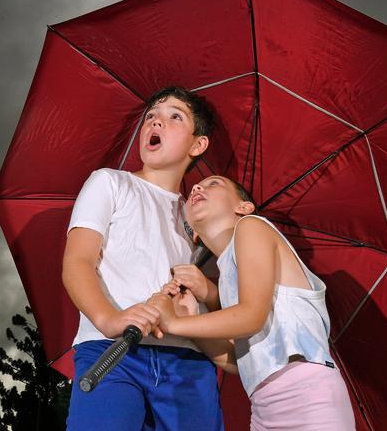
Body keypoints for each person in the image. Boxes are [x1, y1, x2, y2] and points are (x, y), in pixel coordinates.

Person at [62, 86, 223, 430]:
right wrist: (108, 319)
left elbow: (219, 300)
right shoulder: (109, 183)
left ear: (198, 145)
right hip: (112, 351)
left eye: (174, 116)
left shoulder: (200, 218)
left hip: (187, 361)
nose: (157, 121)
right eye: (151, 115)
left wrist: (203, 291)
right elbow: (77, 262)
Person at [149, 175, 356, 430]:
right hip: (262, 408)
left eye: (214, 183)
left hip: (307, 395)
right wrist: (192, 316)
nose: (197, 187)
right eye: (198, 186)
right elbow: (236, 362)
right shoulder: (226, 275)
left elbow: (250, 316)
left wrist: (173, 323)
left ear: (244, 207)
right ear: (194, 235)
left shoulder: (252, 226)